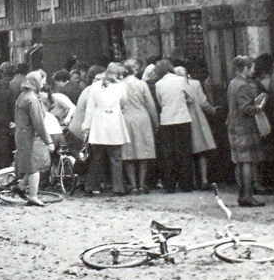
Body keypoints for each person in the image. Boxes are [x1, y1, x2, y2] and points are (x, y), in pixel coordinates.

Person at [82, 63, 130, 196]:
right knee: (113, 156)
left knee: (98, 156)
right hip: (112, 120)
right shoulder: (120, 86)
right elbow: (124, 103)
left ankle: (91, 186)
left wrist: (87, 124)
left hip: (101, 120)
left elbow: (91, 107)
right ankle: (117, 187)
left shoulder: (96, 86)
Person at [228, 56, 270, 207]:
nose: (253, 70)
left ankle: (241, 195)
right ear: (245, 69)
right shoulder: (243, 85)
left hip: (233, 125)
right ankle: (248, 196)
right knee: (248, 161)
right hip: (244, 126)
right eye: (251, 67)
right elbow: (245, 108)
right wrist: (259, 107)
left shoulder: (233, 83)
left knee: (239, 162)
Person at [14, 70, 59, 206]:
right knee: (35, 166)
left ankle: (21, 186)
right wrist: (49, 141)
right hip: (30, 137)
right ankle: (33, 196)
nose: (44, 83)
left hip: (23, 134)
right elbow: (38, 122)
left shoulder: (24, 96)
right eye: (43, 80)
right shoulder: (32, 99)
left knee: (31, 164)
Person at [154, 59, 194, 193]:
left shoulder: (158, 84)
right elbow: (191, 97)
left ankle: (170, 185)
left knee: (168, 153)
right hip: (182, 118)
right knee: (184, 152)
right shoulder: (181, 80)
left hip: (166, 120)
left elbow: (160, 102)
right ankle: (186, 184)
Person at [120, 59, 159, 194]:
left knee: (128, 152)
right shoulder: (142, 84)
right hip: (142, 118)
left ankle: (133, 185)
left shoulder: (119, 85)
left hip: (126, 119)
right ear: (135, 70)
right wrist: (156, 123)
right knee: (143, 151)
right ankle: (142, 184)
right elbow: (150, 105)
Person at [181, 66, 217, 188]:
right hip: (196, 119)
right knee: (201, 151)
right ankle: (204, 179)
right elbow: (203, 103)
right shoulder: (195, 84)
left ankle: (192, 181)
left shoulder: (174, 86)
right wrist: (213, 111)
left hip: (182, 119)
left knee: (187, 151)